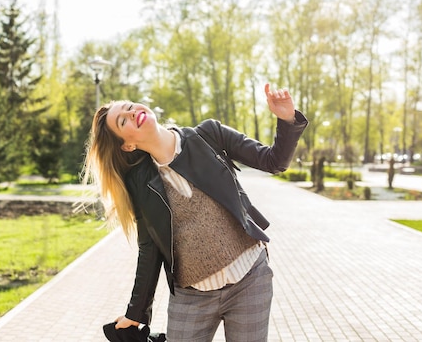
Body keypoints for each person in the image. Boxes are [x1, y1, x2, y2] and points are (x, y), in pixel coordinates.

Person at [82, 83, 308, 342]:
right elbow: (149, 247)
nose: (133, 113)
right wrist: (136, 312)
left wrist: (287, 119)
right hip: (192, 297)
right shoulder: (140, 183)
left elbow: (273, 161)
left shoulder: (209, 134)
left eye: (131, 107)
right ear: (128, 146)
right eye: (123, 121)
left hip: (250, 280)